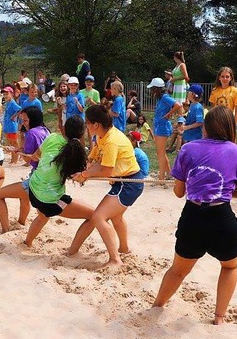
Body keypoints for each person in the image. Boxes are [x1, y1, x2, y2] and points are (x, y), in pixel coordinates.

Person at [152, 106, 237, 326]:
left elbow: (178, 192)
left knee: (178, 270)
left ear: (206, 127)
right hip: (221, 218)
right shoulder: (235, 151)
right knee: (230, 266)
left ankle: (157, 305)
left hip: (193, 217)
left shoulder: (188, 148)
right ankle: (219, 318)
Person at [71, 105, 145, 268]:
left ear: (95, 124)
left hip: (129, 183)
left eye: (87, 123)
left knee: (99, 216)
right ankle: (124, 249)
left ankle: (115, 259)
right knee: (116, 217)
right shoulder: (101, 136)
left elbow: (106, 170)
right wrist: (83, 172)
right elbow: (93, 159)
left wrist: (84, 175)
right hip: (121, 181)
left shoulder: (112, 140)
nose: (86, 126)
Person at [23, 116, 96, 249]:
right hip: (51, 202)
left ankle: (27, 242)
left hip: (33, 191)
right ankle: (72, 252)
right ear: (82, 133)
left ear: (64, 129)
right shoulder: (76, 151)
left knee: (43, 216)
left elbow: (35, 156)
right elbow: (79, 177)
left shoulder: (53, 137)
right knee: (94, 216)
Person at [149, 77, 183, 181]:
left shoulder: (164, 97)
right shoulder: (161, 98)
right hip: (159, 126)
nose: (151, 91)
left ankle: (161, 178)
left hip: (162, 127)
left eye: (152, 88)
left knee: (160, 153)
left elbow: (178, 105)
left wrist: (169, 114)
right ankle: (169, 174)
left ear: (156, 89)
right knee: (161, 152)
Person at [15, 106, 50, 173]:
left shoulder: (31, 133)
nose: (23, 123)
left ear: (33, 120)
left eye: (25, 120)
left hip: (40, 172)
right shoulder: (45, 129)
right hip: (48, 169)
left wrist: (20, 152)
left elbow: (28, 159)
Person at [2, 86, 22, 164]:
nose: (5, 96)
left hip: (12, 126)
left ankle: (15, 159)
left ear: (12, 94)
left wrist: (14, 116)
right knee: (10, 143)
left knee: (14, 143)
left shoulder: (13, 103)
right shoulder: (8, 103)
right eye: (4, 94)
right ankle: (12, 159)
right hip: (7, 125)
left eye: (7, 94)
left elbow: (20, 109)